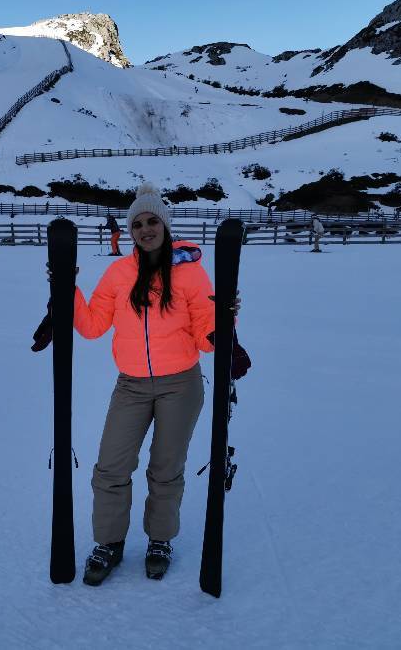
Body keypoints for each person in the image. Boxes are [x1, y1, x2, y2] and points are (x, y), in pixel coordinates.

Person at [42, 182, 249, 586]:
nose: (145, 229)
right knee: (110, 468)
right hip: (131, 385)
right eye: (137, 223)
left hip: (181, 385)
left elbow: (207, 332)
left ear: (166, 225)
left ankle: (159, 540)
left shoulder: (190, 273)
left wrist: (226, 321)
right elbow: (92, 326)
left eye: (153, 220)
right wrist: (66, 288)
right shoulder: (119, 273)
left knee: (165, 470)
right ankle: (109, 543)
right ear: (130, 230)